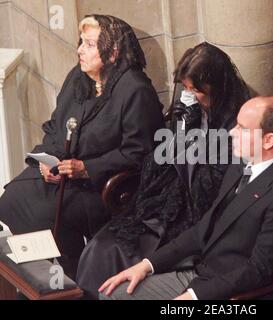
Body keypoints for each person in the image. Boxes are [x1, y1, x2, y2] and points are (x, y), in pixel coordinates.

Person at [76, 42, 250, 299]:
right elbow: (159, 161)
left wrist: (191, 142)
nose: (189, 94)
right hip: (168, 199)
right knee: (101, 247)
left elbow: (210, 187)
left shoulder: (235, 123)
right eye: (187, 87)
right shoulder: (188, 107)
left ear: (215, 87)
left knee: (123, 252)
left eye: (197, 90)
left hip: (199, 214)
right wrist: (179, 131)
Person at [98, 96, 273, 300]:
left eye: (243, 128)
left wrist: (194, 296)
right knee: (111, 293)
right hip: (200, 272)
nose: (231, 133)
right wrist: (146, 264)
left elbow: (260, 270)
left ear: (268, 140)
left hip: (229, 292)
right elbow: (204, 228)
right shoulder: (242, 165)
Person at [0, 15, 165, 277]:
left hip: (100, 185)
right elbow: (55, 125)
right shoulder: (78, 77)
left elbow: (140, 153)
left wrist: (86, 168)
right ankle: (37, 278)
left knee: (44, 213)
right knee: (11, 199)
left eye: (89, 45)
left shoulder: (135, 90)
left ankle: (69, 277)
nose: (79, 50)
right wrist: (48, 160)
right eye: (81, 42)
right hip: (63, 173)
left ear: (112, 52)